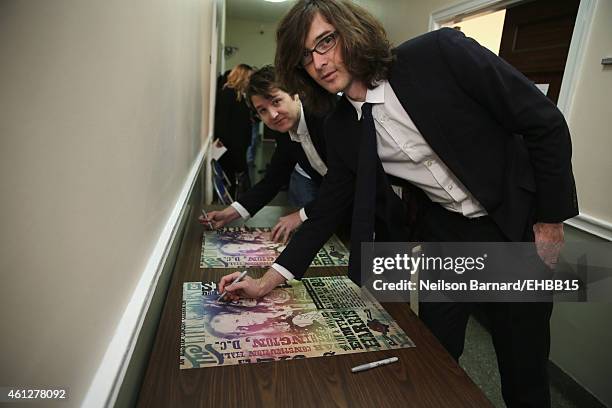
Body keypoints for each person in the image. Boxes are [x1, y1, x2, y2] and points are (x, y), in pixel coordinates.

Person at [217, 1, 579, 407]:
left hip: (515, 226)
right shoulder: (339, 126)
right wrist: (268, 280)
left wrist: (550, 220)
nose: (318, 62)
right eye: (305, 55)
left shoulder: (440, 54)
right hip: (447, 235)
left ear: (353, 32)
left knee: (522, 365)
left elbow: (543, 122)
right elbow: (329, 208)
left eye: (326, 42)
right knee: (433, 353)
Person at [201, 65, 330, 243]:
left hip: (373, 209)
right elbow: (273, 181)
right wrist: (229, 213)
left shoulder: (325, 116)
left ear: (295, 93)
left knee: (374, 269)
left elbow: (347, 180)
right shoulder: (284, 131)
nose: (273, 114)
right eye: (262, 110)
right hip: (338, 211)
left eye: (276, 101)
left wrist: (300, 216)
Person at [214, 64, 254, 198]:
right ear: (241, 77)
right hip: (231, 148)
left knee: (239, 179)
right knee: (235, 179)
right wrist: (229, 145)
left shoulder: (239, 95)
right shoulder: (227, 94)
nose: (250, 81)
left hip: (238, 146)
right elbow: (222, 123)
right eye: (248, 77)